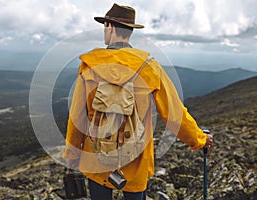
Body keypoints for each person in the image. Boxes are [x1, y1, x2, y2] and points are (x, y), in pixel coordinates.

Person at [62, 3, 213, 200]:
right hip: (135, 157)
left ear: (109, 26)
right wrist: (199, 140)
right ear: (130, 31)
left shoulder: (90, 65)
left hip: (96, 155)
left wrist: (72, 156)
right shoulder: (149, 67)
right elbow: (174, 114)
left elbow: (77, 117)